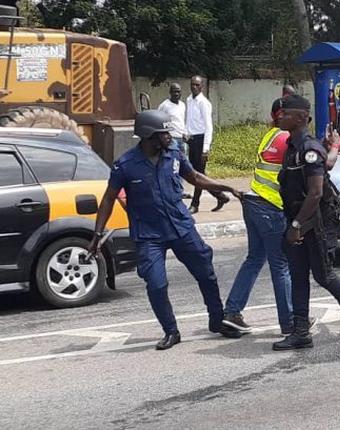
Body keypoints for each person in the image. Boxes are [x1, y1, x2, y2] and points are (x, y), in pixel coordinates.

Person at [87, 110, 243, 350]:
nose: (169, 136)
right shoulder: (125, 165)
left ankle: (216, 320)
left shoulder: (174, 154)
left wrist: (225, 187)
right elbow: (108, 199)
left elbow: (195, 177)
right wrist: (97, 236)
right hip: (149, 235)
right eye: (164, 133)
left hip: (181, 227)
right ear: (150, 136)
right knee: (156, 284)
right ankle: (171, 331)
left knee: (206, 274)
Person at [274, 95, 340, 350]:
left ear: (302, 117)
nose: (280, 116)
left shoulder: (309, 149)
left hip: (318, 221)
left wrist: (296, 227)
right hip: (299, 216)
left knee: (323, 274)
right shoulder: (292, 146)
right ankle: (300, 331)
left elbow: (315, 193)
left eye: (286, 113)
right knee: (298, 273)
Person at [221, 98, 293, 335]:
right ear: (281, 115)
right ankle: (289, 321)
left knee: (254, 260)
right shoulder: (285, 138)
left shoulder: (270, 135)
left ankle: (232, 312)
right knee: (280, 265)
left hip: (253, 201)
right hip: (270, 206)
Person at [186, 75, 229, 214]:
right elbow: (189, 120)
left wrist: (205, 149)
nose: (194, 87)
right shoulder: (188, 100)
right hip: (191, 139)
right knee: (197, 174)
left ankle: (195, 204)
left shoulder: (204, 102)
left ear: (202, 86)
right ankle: (220, 195)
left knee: (197, 174)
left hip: (201, 140)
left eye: (197, 85)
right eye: (193, 84)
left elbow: (208, 127)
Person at [157, 82, 190, 199]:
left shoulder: (182, 105)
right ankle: (170, 189)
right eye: (174, 91)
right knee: (172, 164)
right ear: (170, 92)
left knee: (182, 164)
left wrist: (186, 133)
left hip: (182, 138)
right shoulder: (164, 106)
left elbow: (183, 121)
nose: (176, 93)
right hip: (171, 139)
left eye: (178, 91)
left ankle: (179, 190)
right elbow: (159, 121)